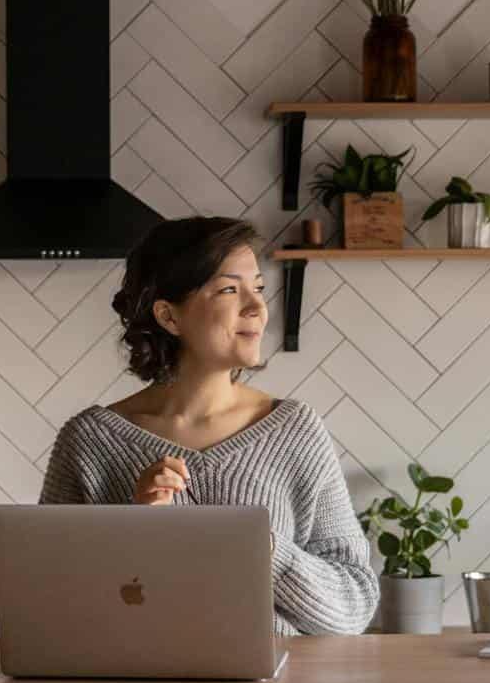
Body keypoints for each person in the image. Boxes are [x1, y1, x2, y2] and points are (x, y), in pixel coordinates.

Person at [40, 215, 378, 636]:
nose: (257, 307)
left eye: (257, 287)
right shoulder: (89, 442)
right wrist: (133, 532)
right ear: (169, 316)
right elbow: (47, 609)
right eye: (229, 290)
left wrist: (263, 548)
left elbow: (354, 605)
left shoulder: (295, 431)